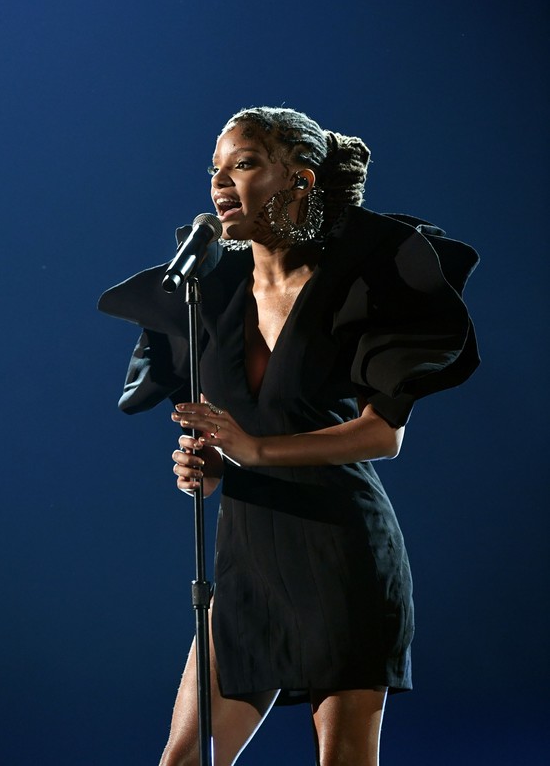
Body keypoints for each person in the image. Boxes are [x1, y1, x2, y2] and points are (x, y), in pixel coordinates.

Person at [98, 106, 479, 766]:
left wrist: (255, 449)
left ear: (299, 180)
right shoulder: (213, 295)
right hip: (246, 562)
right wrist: (209, 465)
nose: (221, 184)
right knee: (182, 759)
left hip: (341, 555)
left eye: (243, 164)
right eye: (215, 168)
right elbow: (233, 442)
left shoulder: (350, 284)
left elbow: (381, 434)